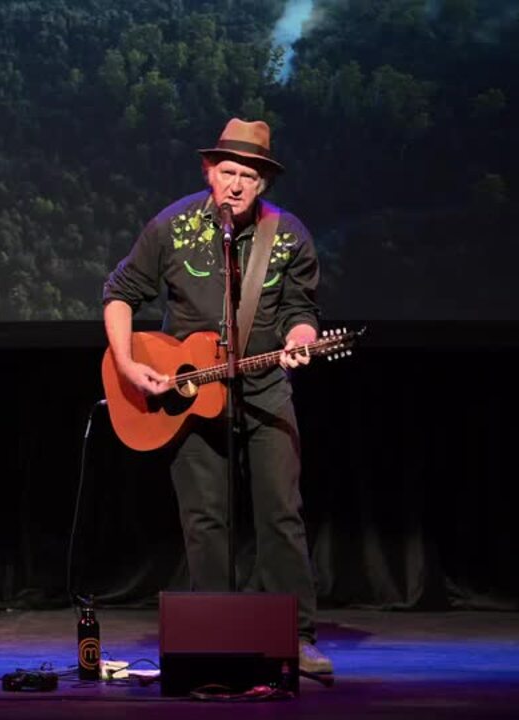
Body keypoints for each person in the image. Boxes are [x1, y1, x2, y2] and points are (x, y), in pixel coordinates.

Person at [101, 118, 333, 674]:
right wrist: (130, 366)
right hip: (190, 394)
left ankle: (294, 638)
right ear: (209, 171)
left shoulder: (289, 235)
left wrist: (301, 340)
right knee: (205, 518)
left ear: (263, 184)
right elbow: (120, 293)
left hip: (265, 388)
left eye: (247, 176)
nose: (235, 184)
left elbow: (302, 312)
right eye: (226, 171)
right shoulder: (171, 226)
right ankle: (217, 636)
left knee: (280, 512)